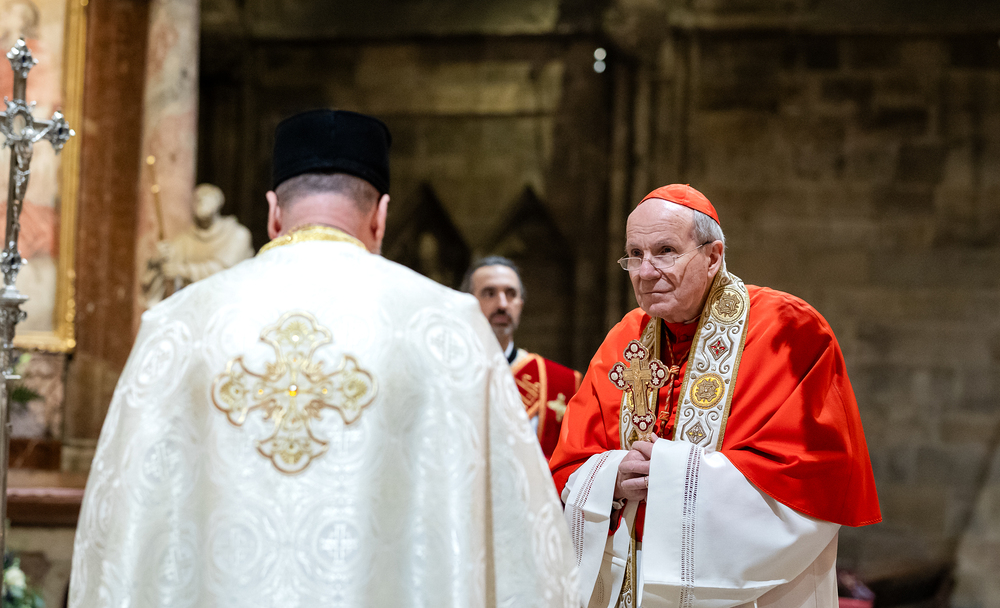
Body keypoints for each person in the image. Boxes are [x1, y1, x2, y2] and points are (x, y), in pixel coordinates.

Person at [69, 110, 578, 607]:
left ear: (273, 212)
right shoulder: (449, 328)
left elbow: (119, 541)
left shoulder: (178, 327)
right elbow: (523, 550)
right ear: (380, 216)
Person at [550, 184, 881, 608]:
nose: (645, 271)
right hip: (630, 579)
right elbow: (568, 465)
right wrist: (612, 476)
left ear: (713, 257)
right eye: (634, 254)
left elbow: (812, 479)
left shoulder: (789, 331)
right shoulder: (624, 339)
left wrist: (671, 473)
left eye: (665, 251)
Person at [461, 256, 581, 459]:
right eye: (489, 293)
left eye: (511, 294)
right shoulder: (444, 375)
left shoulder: (560, 382)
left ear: (520, 304)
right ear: (468, 304)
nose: (502, 304)